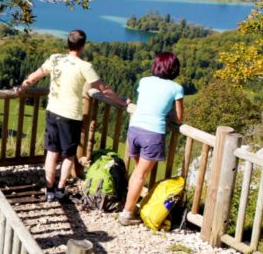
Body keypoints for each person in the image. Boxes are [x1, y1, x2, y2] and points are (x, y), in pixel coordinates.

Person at [18, 29, 128, 201]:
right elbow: (104, 90)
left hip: (52, 112)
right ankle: (60, 189)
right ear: (83, 46)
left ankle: (49, 189)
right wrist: (122, 102)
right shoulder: (85, 67)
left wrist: (23, 86)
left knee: (52, 152)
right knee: (68, 155)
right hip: (70, 117)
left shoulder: (55, 59)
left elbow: (35, 76)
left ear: (68, 44)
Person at [119, 52, 184, 225]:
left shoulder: (144, 81)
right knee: (140, 175)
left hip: (134, 130)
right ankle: (126, 214)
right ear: (174, 69)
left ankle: (129, 206)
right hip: (153, 133)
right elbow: (179, 118)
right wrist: (169, 113)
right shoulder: (176, 88)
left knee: (137, 172)